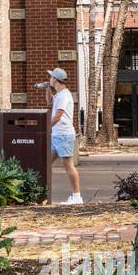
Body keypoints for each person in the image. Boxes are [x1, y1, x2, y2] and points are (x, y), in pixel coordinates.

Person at [46, 68, 83, 205]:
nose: (49, 79)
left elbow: (58, 115)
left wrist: (46, 127)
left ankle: (77, 196)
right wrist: (47, 89)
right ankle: (43, 192)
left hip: (64, 134)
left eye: (51, 77)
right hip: (57, 134)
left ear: (55, 79)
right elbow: (50, 102)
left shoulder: (64, 95)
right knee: (46, 163)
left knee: (68, 165)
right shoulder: (59, 94)